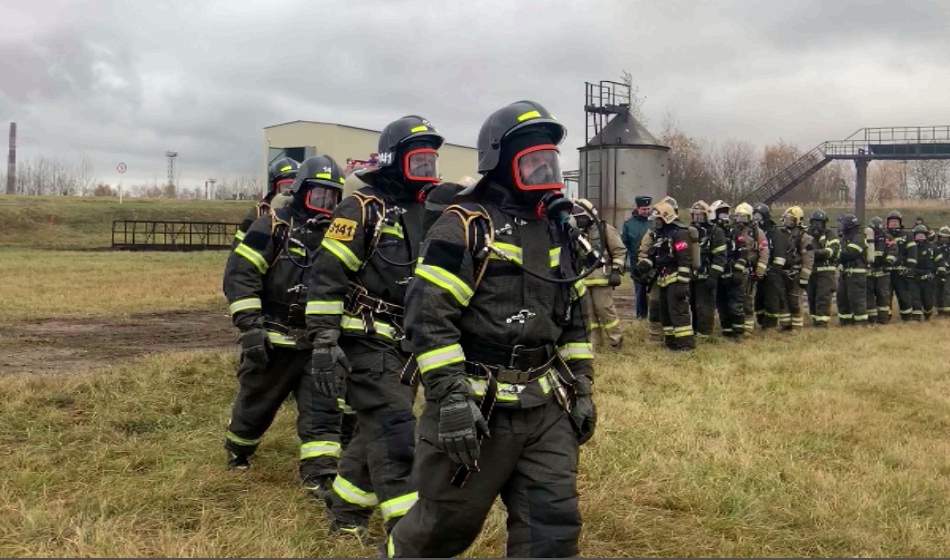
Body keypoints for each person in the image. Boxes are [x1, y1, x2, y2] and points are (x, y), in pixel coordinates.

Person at [389, 100, 595, 558]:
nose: (545, 170)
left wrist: (582, 385)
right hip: (478, 408)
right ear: (501, 164)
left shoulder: (558, 230)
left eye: (550, 160)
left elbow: (575, 320)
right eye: (532, 161)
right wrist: (452, 398)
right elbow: (428, 319)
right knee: (442, 529)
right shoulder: (463, 226)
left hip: (545, 408)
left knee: (554, 528)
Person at [306, 115, 444, 539]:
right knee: (397, 433)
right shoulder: (360, 208)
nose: (427, 171)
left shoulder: (433, 212)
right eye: (418, 161)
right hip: (366, 342)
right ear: (393, 161)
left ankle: (344, 511)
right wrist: (326, 338)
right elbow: (326, 275)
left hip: (409, 345)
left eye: (430, 162)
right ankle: (408, 535)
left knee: (375, 434)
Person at [221, 154, 347, 497]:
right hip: (272, 340)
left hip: (317, 345)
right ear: (300, 192)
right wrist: (250, 328)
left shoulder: (340, 238)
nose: (325, 205)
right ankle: (238, 450)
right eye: (318, 196)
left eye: (333, 198)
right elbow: (240, 276)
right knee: (256, 404)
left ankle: (319, 476)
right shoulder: (270, 226)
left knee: (323, 410)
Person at [576, 198, 627, 348]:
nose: (579, 221)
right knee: (589, 313)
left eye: (582, 218)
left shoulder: (605, 229)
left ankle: (616, 340)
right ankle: (595, 343)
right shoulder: (576, 234)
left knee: (605, 310)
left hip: (602, 278)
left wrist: (616, 270)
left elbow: (619, 250)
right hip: (583, 279)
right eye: (577, 219)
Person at [648, 199, 695, 350]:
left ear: (666, 217)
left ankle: (685, 345)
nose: (655, 223)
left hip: (675, 279)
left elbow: (684, 258)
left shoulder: (680, 233)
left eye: (657, 219)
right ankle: (671, 343)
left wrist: (682, 282)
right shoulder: (663, 234)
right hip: (663, 279)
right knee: (665, 312)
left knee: (678, 312)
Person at [232, 157, 300, 249]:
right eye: (285, 186)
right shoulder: (260, 211)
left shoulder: (304, 212)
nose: (290, 192)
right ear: (274, 188)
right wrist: (272, 216)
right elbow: (239, 245)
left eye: (294, 187)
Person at [688, 200, 726, 337]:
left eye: (701, 215)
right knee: (690, 305)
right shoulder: (688, 231)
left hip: (706, 276)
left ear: (707, 215)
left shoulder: (716, 232)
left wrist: (714, 275)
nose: (698, 217)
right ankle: (692, 330)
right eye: (695, 214)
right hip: (690, 276)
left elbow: (720, 256)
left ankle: (704, 334)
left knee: (704, 306)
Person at [733, 203, 769, 335]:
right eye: (739, 217)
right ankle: (735, 325)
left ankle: (747, 328)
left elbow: (764, 252)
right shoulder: (731, 231)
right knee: (734, 299)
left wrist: (759, 270)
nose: (741, 220)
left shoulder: (756, 232)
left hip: (749, 272)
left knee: (747, 300)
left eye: (744, 217)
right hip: (734, 271)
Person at [778, 206, 814, 330]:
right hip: (782, 273)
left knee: (794, 301)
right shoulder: (781, 234)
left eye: (791, 219)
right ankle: (785, 325)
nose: (788, 222)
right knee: (783, 300)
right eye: (786, 219)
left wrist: (804, 277)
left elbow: (808, 259)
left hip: (796, 273)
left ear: (797, 221)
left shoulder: (804, 237)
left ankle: (797, 326)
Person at [806, 209, 840, 327]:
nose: (817, 225)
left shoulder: (830, 234)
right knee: (811, 296)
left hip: (826, 272)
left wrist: (813, 253)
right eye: (814, 222)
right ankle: (815, 320)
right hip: (811, 271)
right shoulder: (807, 234)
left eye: (820, 222)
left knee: (823, 296)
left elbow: (832, 251)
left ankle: (822, 322)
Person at [621, 196, 653, 318]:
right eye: (644, 209)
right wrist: (624, 263)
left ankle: (654, 317)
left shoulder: (653, 222)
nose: (646, 211)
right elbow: (624, 244)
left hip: (652, 261)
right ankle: (641, 316)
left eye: (648, 209)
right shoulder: (629, 224)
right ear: (637, 208)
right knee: (640, 291)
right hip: (636, 262)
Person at [836, 213, 869, 326]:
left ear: (848, 225)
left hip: (856, 274)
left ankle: (861, 323)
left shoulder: (859, 237)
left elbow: (851, 253)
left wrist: (835, 254)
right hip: (845, 273)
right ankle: (845, 322)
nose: (840, 226)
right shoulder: (845, 237)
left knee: (857, 299)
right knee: (842, 298)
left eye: (842, 224)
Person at [885, 210, 917, 322]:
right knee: (885, 296)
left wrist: (909, 269)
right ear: (887, 223)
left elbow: (912, 254)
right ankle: (886, 317)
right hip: (887, 272)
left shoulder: (907, 236)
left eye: (896, 221)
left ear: (900, 222)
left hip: (901, 272)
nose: (894, 223)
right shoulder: (884, 236)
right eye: (892, 221)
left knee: (904, 296)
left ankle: (907, 317)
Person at [865, 216, 896, 324]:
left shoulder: (888, 238)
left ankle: (883, 319)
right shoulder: (866, 238)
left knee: (883, 295)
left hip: (882, 271)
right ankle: (871, 319)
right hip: (869, 272)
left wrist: (888, 262)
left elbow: (893, 251)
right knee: (868, 295)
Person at [911, 223, 937, 320]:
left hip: (928, 279)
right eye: (918, 235)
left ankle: (928, 315)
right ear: (914, 236)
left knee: (928, 300)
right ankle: (916, 318)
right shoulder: (911, 248)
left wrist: (941, 270)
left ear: (926, 236)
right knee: (915, 299)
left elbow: (939, 261)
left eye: (922, 235)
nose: (920, 237)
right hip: (914, 278)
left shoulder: (932, 248)